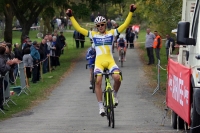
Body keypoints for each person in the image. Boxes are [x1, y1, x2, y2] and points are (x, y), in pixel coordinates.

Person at [66, 3, 136, 116]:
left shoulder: (112, 33)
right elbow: (78, 28)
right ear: (96, 27)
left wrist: (131, 12)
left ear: (105, 25)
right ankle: (100, 107)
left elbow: (125, 24)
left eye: (102, 24)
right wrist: (71, 16)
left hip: (110, 61)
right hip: (99, 62)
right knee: (98, 81)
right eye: (98, 25)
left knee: (117, 78)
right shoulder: (93, 35)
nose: (100, 27)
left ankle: (115, 95)